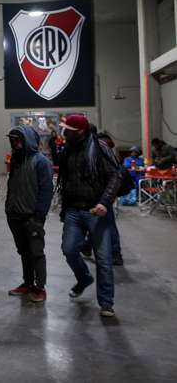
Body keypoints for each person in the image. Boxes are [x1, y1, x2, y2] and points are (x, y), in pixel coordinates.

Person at [58, 114, 121, 318]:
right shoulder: (68, 149)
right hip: (74, 211)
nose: (64, 133)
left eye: (68, 130)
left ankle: (106, 303)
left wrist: (104, 202)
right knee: (69, 249)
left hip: (96, 210)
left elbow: (115, 175)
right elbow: (65, 180)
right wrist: (64, 208)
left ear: (80, 132)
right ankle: (84, 278)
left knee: (103, 259)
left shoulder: (99, 148)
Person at [5, 125, 53, 303]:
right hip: (15, 215)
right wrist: (9, 208)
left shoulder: (41, 161)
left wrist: (38, 217)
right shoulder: (16, 160)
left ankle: (39, 287)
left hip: (32, 217)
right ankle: (27, 283)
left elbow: (46, 191)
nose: (15, 144)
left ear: (28, 140)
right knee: (24, 251)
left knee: (36, 252)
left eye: (18, 140)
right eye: (13, 140)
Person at [81, 130, 124, 266]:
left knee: (107, 223)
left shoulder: (99, 146)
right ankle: (88, 247)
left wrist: (105, 199)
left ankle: (115, 253)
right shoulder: (101, 145)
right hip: (101, 194)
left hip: (102, 194)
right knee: (97, 222)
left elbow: (113, 175)